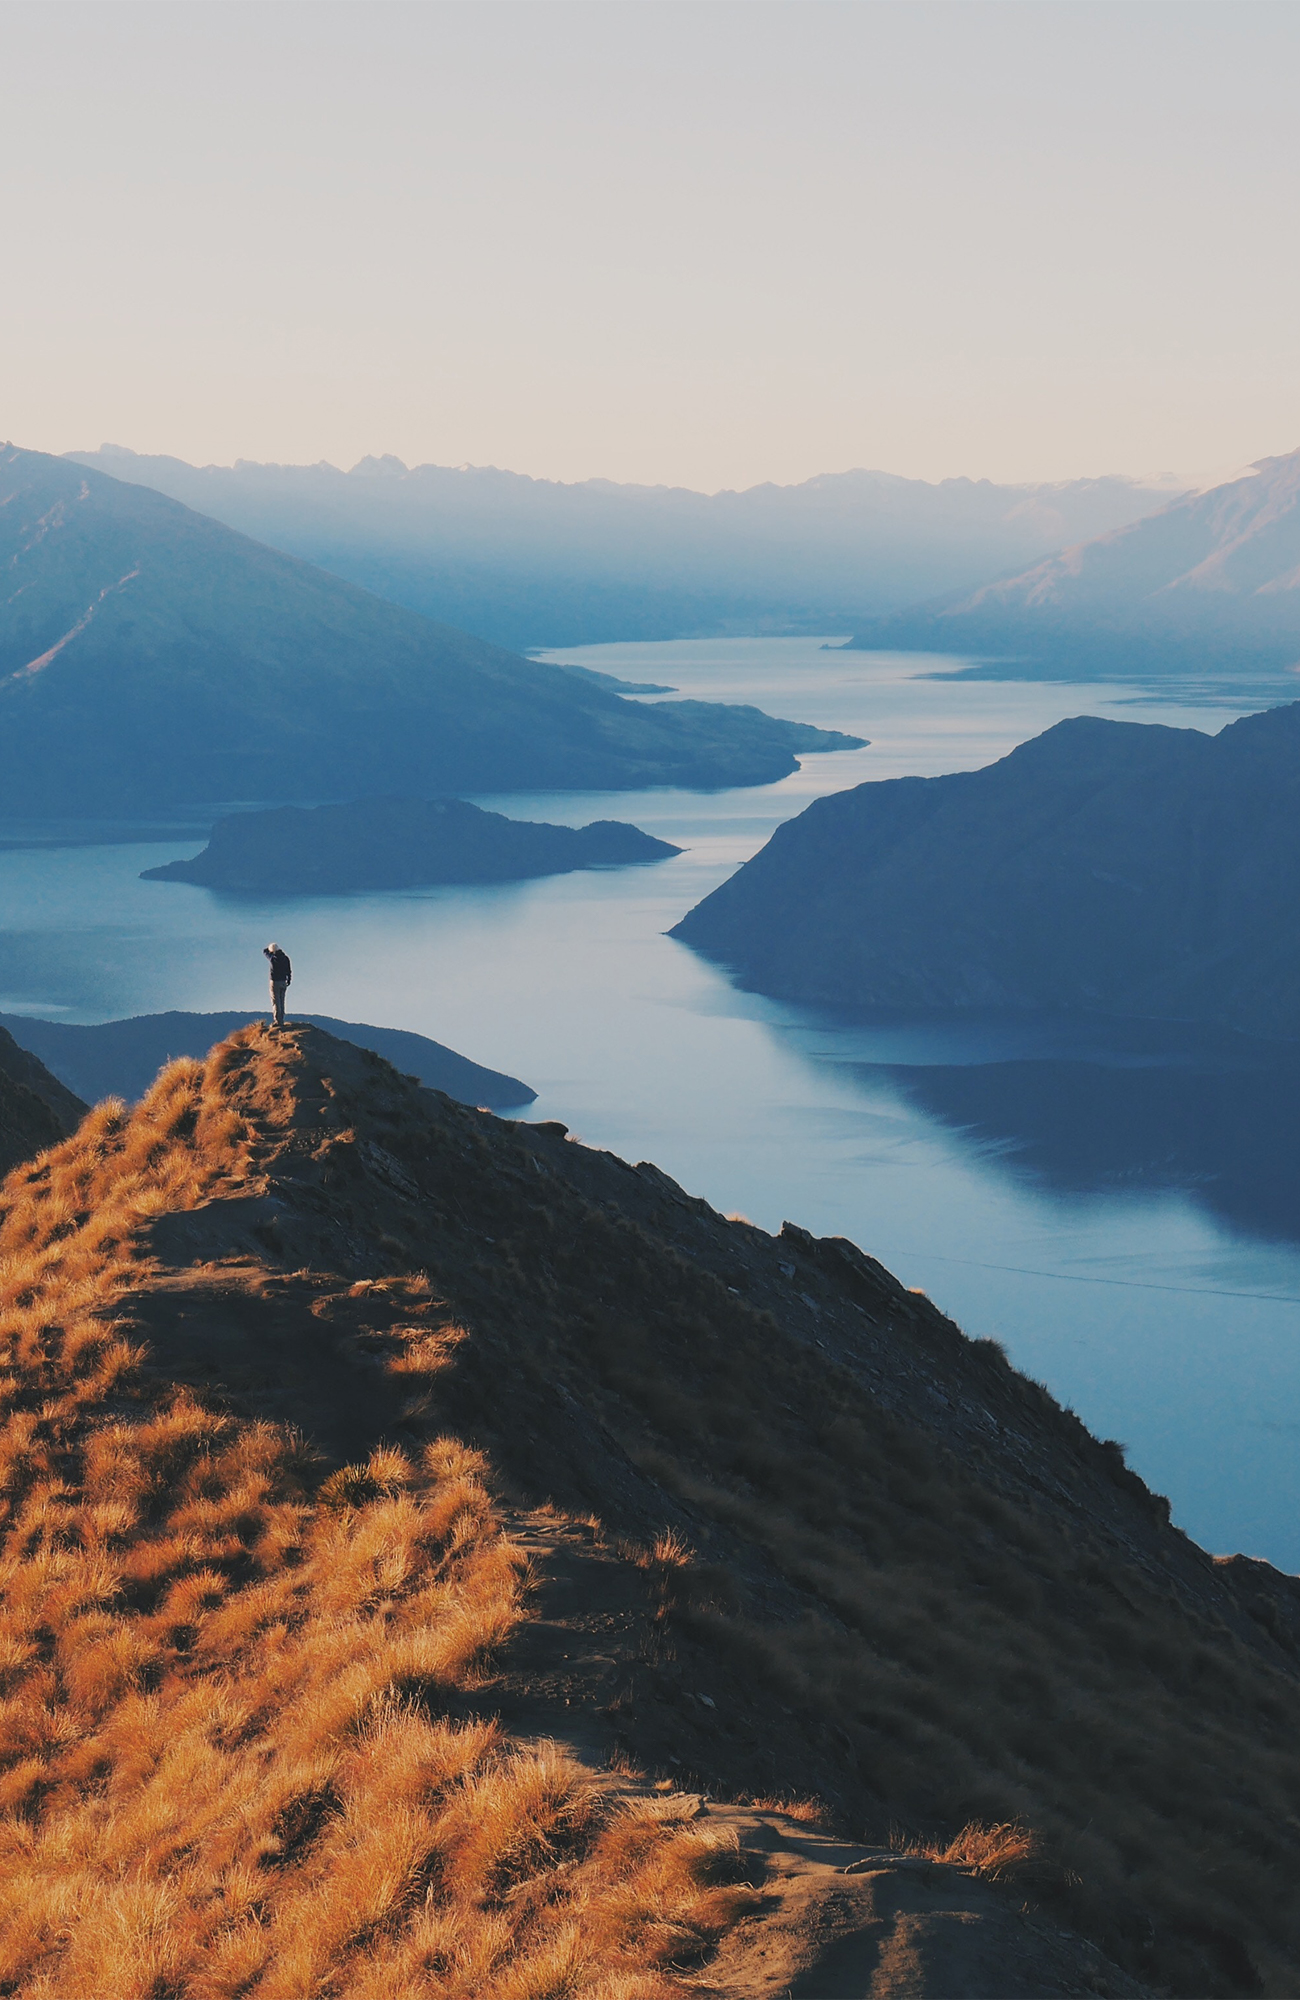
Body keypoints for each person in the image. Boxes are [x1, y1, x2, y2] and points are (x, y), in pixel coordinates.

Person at [264, 943, 292, 1028]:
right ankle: (282, 1020)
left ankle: (278, 1021)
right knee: (282, 1001)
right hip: (283, 981)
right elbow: (289, 970)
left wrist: (269, 950)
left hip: (275, 982)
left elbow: (265, 951)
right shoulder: (286, 958)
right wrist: (289, 979)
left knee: (276, 1002)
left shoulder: (273, 958)